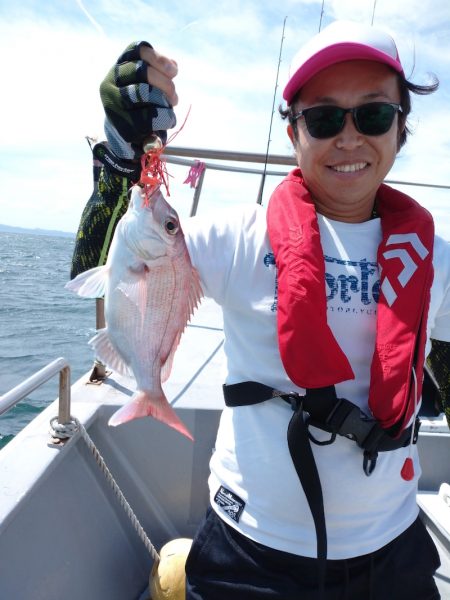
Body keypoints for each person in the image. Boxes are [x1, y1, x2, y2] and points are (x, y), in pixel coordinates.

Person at [71, 20, 450, 600]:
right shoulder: (239, 237)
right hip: (247, 555)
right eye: (324, 119)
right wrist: (123, 159)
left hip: (391, 553)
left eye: (373, 115)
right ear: (294, 132)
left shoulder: (436, 260)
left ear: (401, 127)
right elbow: (100, 269)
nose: (349, 139)